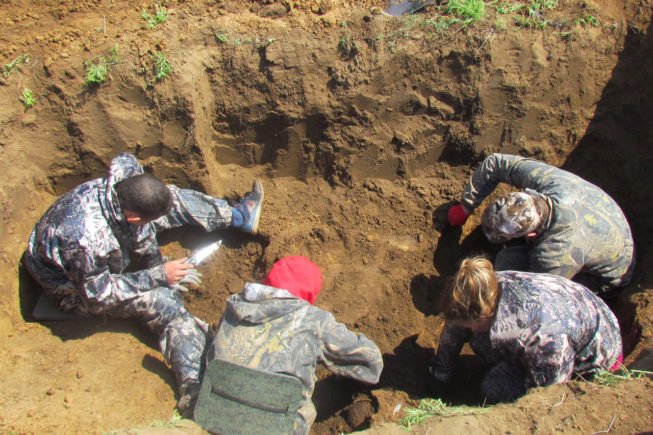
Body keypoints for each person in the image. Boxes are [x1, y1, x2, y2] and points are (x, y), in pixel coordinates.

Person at [23, 152, 264, 413]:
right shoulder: (86, 240)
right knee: (164, 304)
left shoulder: (126, 175)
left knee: (171, 200)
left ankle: (240, 217)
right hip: (72, 286)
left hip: (106, 245)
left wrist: (155, 262)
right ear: (135, 220)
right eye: (144, 223)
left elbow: (130, 167)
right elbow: (99, 294)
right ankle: (196, 393)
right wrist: (158, 276)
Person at [203, 256, 384, 434]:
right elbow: (371, 362)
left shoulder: (235, 306)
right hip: (275, 429)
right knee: (307, 401)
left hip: (215, 417)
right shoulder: (315, 321)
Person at [429, 257, 623, 403]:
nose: (462, 328)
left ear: (482, 317)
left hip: (593, 357)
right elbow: (455, 326)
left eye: (467, 325)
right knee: (480, 343)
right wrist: (440, 373)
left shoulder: (542, 340)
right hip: (569, 315)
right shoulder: (484, 288)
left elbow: (549, 396)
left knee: (493, 386)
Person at [446, 153, 635, 295]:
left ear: (531, 236)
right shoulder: (550, 182)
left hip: (611, 274)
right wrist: (466, 207)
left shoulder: (553, 255)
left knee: (506, 263)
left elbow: (536, 296)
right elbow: (495, 163)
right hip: (607, 223)